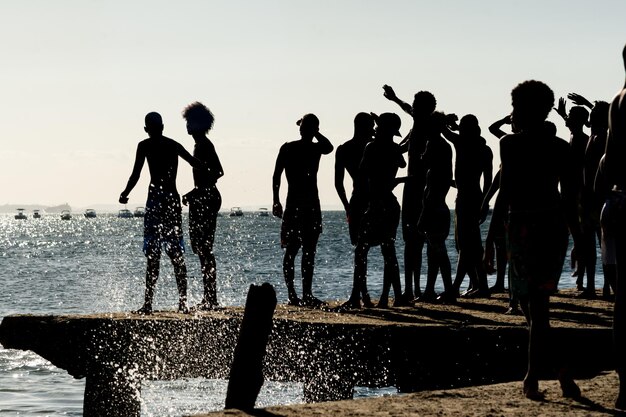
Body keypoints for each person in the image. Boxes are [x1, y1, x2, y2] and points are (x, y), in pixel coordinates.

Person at [485, 80, 582, 400]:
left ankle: (532, 377)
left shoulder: (511, 145)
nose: (511, 114)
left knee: (535, 307)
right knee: (532, 308)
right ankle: (561, 370)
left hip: (527, 225)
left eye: (515, 108)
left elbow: (506, 191)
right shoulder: (561, 148)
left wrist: (490, 237)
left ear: (528, 110)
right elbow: (570, 198)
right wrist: (579, 239)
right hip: (550, 225)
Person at [120, 112, 205, 314]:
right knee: (176, 254)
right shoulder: (172, 145)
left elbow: (136, 174)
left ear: (146, 129)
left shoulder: (145, 146)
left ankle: (148, 304)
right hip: (171, 200)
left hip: (155, 200)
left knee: (153, 254)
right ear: (163, 126)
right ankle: (182, 303)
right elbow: (196, 164)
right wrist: (203, 184)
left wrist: (125, 193)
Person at [272, 113, 334, 307]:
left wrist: (314, 130)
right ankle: (295, 294)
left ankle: (304, 294)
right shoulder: (291, 148)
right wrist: (276, 201)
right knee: (294, 251)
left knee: (307, 251)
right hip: (297, 204)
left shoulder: (314, 149)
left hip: (308, 204)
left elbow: (329, 147)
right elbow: (276, 176)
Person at [383, 85, 436, 302]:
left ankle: (412, 289)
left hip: (417, 188)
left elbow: (407, 109)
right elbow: (403, 147)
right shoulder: (420, 127)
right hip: (418, 187)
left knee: (414, 239)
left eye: (415, 105)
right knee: (416, 240)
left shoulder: (424, 124)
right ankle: (413, 288)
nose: (412, 108)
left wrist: (395, 99)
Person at [598, 43, 626, 410]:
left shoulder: (618, 101)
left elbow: (608, 165)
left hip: (619, 203)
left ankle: (625, 386)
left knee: (623, 301)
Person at [355, 112, 407, 308]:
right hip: (390, 203)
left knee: (362, 250)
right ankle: (387, 296)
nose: (375, 130)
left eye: (378, 127)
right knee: (388, 251)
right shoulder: (394, 149)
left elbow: (363, 172)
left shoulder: (372, 147)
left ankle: (364, 295)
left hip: (376, 202)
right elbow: (401, 163)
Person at [442, 114, 493, 300]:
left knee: (465, 245)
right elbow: (488, 179)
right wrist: (486, 201)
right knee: (472, 244)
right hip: (476, 195)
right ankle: (480, 285)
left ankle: (457, 287)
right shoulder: (484, 149)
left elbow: (441, 128)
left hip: (465, 198)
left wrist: (447, 120)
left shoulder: (461, 142)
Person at [181, 102, 224, 310]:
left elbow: (217, 172)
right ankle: (209, 296)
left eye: (189, 122)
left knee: (204, 248)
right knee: (200, 248)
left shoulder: (204, 145)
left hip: (206, 199)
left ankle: (211, 298)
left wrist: (197, 191)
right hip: (202, 198)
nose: (187, 126)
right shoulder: (199, 145)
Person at [335, 112, 376, 308]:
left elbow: (338, 183)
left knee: (361, 250)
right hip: (367, 199)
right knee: (363, 249)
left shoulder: (345, 149)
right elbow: (338, 182)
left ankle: (359, 295)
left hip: (358, 200)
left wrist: (346, 206)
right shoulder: (370, 148)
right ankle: (361, 295)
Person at [417, 112, 455, 303]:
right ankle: (430, 290)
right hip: (440, 209)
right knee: (433, 253)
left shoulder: (435, 146)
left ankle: (448, 290)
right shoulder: (445, 149)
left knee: (438, 253)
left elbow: (431, 195)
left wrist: (423, 216)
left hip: (434, 211)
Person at [554, 97, 591, 292]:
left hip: (575, 195)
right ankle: (578, 277)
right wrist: (563, 114)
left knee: (579, 238)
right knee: (573, 237)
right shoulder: (575, 136)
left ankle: (580, 280)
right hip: (567, 194)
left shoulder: (582, 140)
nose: (566, 119)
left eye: (570, 117)